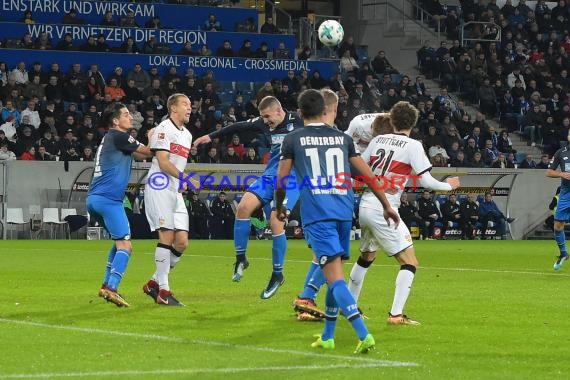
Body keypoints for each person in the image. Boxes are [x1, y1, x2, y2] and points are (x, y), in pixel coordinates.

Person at [275, 89, 399, 353]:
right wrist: (387, 205)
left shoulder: (293, 138)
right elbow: (367, 175)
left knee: (334, 279)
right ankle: (328, 335)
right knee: (335, 275)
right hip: (344, 213)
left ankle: (363, 334)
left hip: (318, 215)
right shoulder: (342, 138)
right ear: (324, 110)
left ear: (299, 113)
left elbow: (281, 181)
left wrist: (279, 207)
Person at [348, 102, 459, 326]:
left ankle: (349, 307)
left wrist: (377, 179)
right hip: (385, 209)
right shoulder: (413, 145)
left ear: (392, 120)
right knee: (410, 261)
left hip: (366, 205)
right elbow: (426, 180)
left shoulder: (377, 140)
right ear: (413, 123)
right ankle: (396, 315)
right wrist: (449, 186)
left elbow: (358, 167)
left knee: (367, 256)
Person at [193, 96, 303, 299]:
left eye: (268, 117)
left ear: (278, 111)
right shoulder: (263, 122)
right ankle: (241, 259)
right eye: (263, 117)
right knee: (243, 207)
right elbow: (238, 126)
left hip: (293, 177)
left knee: (275, 220)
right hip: (271, 174)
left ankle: (277, 274)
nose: (265, 121)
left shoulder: (300, 119)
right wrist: (211, 136)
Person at [86, 103, 152, 307]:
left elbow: (140, 155)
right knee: (126, 246)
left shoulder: (113, 139)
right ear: (115, 121)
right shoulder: (120, 136)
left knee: (119, 241)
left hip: (95, 200)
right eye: (125, 115)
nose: (130, 118)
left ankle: (106, 284)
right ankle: (112, 287)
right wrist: (154, 136)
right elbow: (148, 151)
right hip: (109, 201)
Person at [142, 94, 195, 306]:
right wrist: (186, 178)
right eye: (185, 104)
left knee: (181, 242)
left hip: (174, 190)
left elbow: (177, 164)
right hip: (158, 185)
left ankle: (153, 282)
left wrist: (181, 181)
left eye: (190, 105)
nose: (190, 108)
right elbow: (163, 162)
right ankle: (164, 290)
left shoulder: (188, 135)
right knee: (167, 236)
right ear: (173, 108)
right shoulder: (163, 129)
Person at [547, 135, 570, 269]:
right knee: (557, 227)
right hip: (566, 193)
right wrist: (561, 174)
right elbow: (549, 172)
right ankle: (563, 254)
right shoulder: (561, 152)